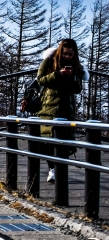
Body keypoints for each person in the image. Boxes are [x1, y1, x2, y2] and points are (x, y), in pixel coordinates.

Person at [37, 38, 87, 183]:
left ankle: (59, 169)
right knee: (48, 140)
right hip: (49, 107)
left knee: (64, 141)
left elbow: (77, 89)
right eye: (65, 54)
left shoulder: (76, 66)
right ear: (60, 52)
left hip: (66, 107)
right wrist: (57, 74)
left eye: (71, 54)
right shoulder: (48, 61)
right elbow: (40, 80)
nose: (68, 57)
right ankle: (52, 169)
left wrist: (72, 77)